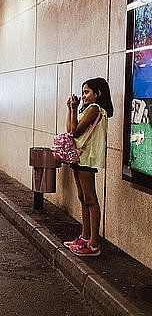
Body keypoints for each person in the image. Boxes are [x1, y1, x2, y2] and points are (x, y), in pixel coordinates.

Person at [63, 77, 113, 257]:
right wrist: (72, 109)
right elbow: (71, 130)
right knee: (83, 198)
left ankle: (93, 244)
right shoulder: (87, 109)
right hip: (79, 158)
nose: (83, 96)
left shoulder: (95, 109)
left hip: (87, 159)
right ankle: (84, 238)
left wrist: (74, 109)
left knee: (90, 199)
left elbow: (76, 131)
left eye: (87, 92)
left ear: (97, 93)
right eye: (83, 92)